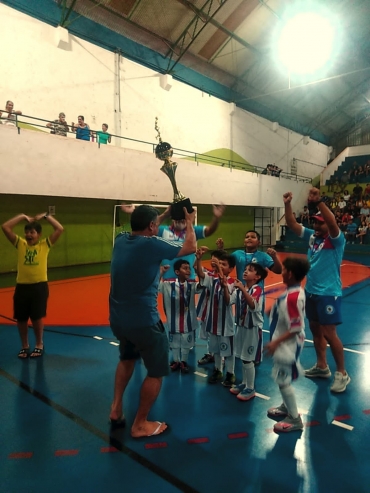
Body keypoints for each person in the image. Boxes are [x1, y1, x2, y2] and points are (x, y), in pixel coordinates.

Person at [109, 205, 196, 438]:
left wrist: (165, 214)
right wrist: (190, 221)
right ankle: (140, 424)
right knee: (156, 371)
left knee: (127, 358)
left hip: (118, 319)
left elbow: (146, 229)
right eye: (156, 224)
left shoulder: (120, 239)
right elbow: (190, 247)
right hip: (144, 321)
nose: (158, 227)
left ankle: (116, 408)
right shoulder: (150, 244)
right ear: (151, 227)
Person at [283, 187, 350, 393]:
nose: (316, 225)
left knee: (330, 334)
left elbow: (332, 223)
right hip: (311, 291)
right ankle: (322, 366)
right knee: (315, 328)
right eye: (315, 221)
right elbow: (292, 224)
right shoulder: (313, 237)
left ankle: (342, 373)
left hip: (329, 293)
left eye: (320, 222)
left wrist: (319, 201)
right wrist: (287, 204)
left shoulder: (336, 240)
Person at [1, 212, 64, 358]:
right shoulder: (20, 243)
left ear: (39, 234)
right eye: (27, 232)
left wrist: (46, 216)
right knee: (21, 318)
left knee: (36, 317)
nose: (29, 234)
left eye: (32, 232)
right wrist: (22, 216)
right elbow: (5, 227)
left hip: (39, 287)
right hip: (22, 287)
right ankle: (24, 346)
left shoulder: (45, 245)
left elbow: (59, 229)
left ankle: (39, 344)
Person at [217, 231, 282, 364]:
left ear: (259, 242)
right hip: (240, 292)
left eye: (253, 237)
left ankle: (255, 353)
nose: (249, 238)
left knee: (255, 322)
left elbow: (278, 270)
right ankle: (241, 349)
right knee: (241, 321)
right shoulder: (237, 254)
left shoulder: (263, 256)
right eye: (247, 236)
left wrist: (275, 257)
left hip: (255, 294)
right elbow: (226, 263)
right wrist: (221, 249)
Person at [265, 257, 310, 432]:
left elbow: (296, 327)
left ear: (289, 273)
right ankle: (286, 406)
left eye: (283, 269)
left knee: (283, 380)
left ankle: (294, 419)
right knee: (281, 378)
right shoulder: (291, 292)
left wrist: (275, 342)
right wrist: (274, 309)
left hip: (288, 345)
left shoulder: (293, 298)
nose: (281, 272)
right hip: (284, 343)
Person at [196, 250, 236, 386]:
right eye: (219, 264)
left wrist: (218, 268)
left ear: (231, 269)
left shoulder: (233, 283)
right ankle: (218, 370)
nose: (220, 266)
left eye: (223, 264)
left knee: (228, 351)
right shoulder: (212, 279)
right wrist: (199, 258)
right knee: (216, 350)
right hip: (212, 322)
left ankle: (230, 373)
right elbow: (201, 274)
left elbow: (228, 300)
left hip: (226, 324)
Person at [230, 263, 267, 401]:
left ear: (257, 277)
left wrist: (241, 289)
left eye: (250, 271)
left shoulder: (257, 290)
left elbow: (253, 306)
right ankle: (244, 383)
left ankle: (250, 388)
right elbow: (229, 301)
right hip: (240, 327)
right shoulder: (240, 289)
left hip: (252, 329)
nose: (245, 272)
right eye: (245, 269)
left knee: (248, 359)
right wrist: (224, 285)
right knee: (242, 356)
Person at [159, 259, 201, 373]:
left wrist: (198, 266)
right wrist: (161, 273)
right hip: (173, 320)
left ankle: (184, 361)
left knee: (187, 342)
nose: (188, 271)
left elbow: (202, 286)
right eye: (185, 268)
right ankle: (176, 361)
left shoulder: (192, 283)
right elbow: (157, 286)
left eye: (189, 268)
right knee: (175, 342)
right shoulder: (169, 283)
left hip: (189, 320)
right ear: (177, 272)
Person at [196, 248, 227, 366]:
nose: (213, 261)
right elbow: (198, 271)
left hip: (219, 311)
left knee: (219, 334)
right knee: (210, 333)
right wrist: (198, 258)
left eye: (216, 259)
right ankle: (210, 354)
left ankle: (222, 356)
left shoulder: (226, 279)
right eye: (212, 259)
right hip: (207, 309)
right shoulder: (209, 274)